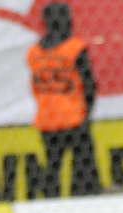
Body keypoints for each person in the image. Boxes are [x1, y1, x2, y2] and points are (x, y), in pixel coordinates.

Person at [27, 2, 102, 197]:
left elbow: (35, 85)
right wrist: (87, 114)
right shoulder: (74, 48)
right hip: (73, 118)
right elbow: (89, 84)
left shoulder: (33, 53)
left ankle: (52, 203)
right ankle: (82, 201)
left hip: (46, 119)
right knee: (83, 165)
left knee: (53, 165)